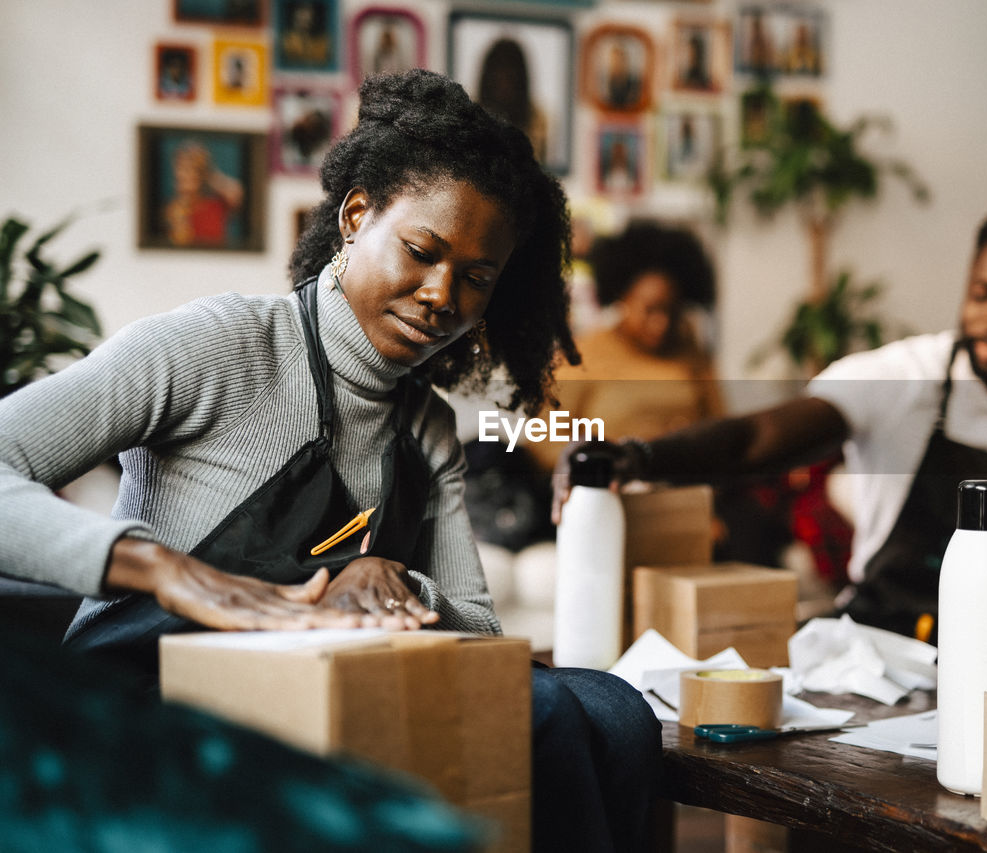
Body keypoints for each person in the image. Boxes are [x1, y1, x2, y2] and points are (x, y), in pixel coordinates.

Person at [0, 69, 659, 853]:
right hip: (153, 691)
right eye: (421, 251)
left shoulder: (427, 427)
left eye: (475, 278)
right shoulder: (217, 345)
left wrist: (391, 582)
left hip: (328, 691)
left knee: (617, 711)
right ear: (356, 216)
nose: (441, 295)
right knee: (543, 711)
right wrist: (166, 569)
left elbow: (478, 629)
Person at [555, 202, 987, 676]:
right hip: (893, 631)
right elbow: (754, 439)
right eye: (982, 295)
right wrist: (636, 456)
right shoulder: (903, 377)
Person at [527, 221, 721, 473]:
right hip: (609, 495)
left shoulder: (692, 354)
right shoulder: (583, 356)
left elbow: (722, 428)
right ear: (621, 297)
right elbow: (541, 439)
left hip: (687, 494)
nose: (660, 324)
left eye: (672, 311)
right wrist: (602, 462)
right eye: (650, 310)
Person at [164, 140, 244, 247]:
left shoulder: (216, 204)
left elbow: (236, 193)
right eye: (179, 168)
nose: (181, 174)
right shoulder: (173, 208)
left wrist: (210, 173)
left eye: (189, 169)